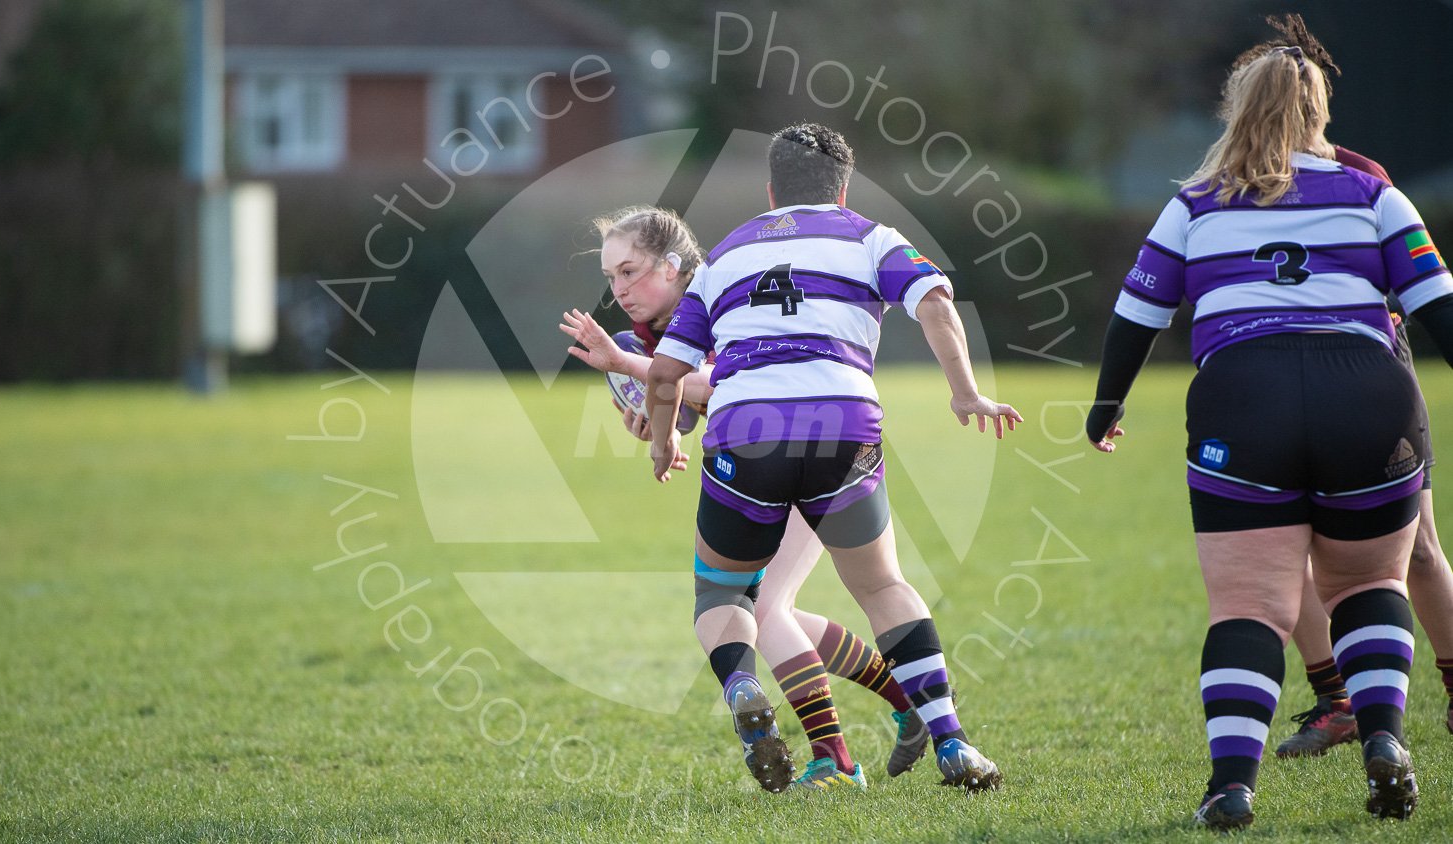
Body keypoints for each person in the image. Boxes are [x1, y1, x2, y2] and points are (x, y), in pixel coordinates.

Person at [1086, 42, 1453, 828]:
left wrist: (1107, 404)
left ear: (1236, 110)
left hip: (1242, 399)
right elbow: (1439, 310)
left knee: (1248, 606)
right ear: (1321, 112)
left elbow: (1136, 317)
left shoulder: (1195, 202)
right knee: (1368, 586)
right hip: (1367, 396)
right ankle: (1384, 739)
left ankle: (1230, 787)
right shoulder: (1372, 192)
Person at [645, 123, 1022, 796]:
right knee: (880, 587)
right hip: (843, 422)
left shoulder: (727, 254)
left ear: (770, 191)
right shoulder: (871, 236)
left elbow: (668, 372)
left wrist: (664, 439)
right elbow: (935, 303)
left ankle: (741, 686)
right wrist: (965, 393)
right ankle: (953, 742)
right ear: (843, 189)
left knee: (723, 590)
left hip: (743, 432)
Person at [559, 205, 931, 791]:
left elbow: (719, 381)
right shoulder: (651, 335)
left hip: (810, 452)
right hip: (760, 463)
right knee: (766, 610)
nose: (619, 289)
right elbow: (686, 404)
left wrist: (633, 368)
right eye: (610, 278)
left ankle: (835, 758)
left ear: (672, 265)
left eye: (629, 271)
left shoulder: (720, 293)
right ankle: (909, 701)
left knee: (760, 611)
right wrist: (657, 423)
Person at [1209, 14, 1453, 761]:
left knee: (1415, 550)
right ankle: (1338, 699)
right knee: (1290, 553)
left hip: (1364, 371)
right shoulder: (1226, 183)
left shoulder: (1361, 175)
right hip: (1268, 381)